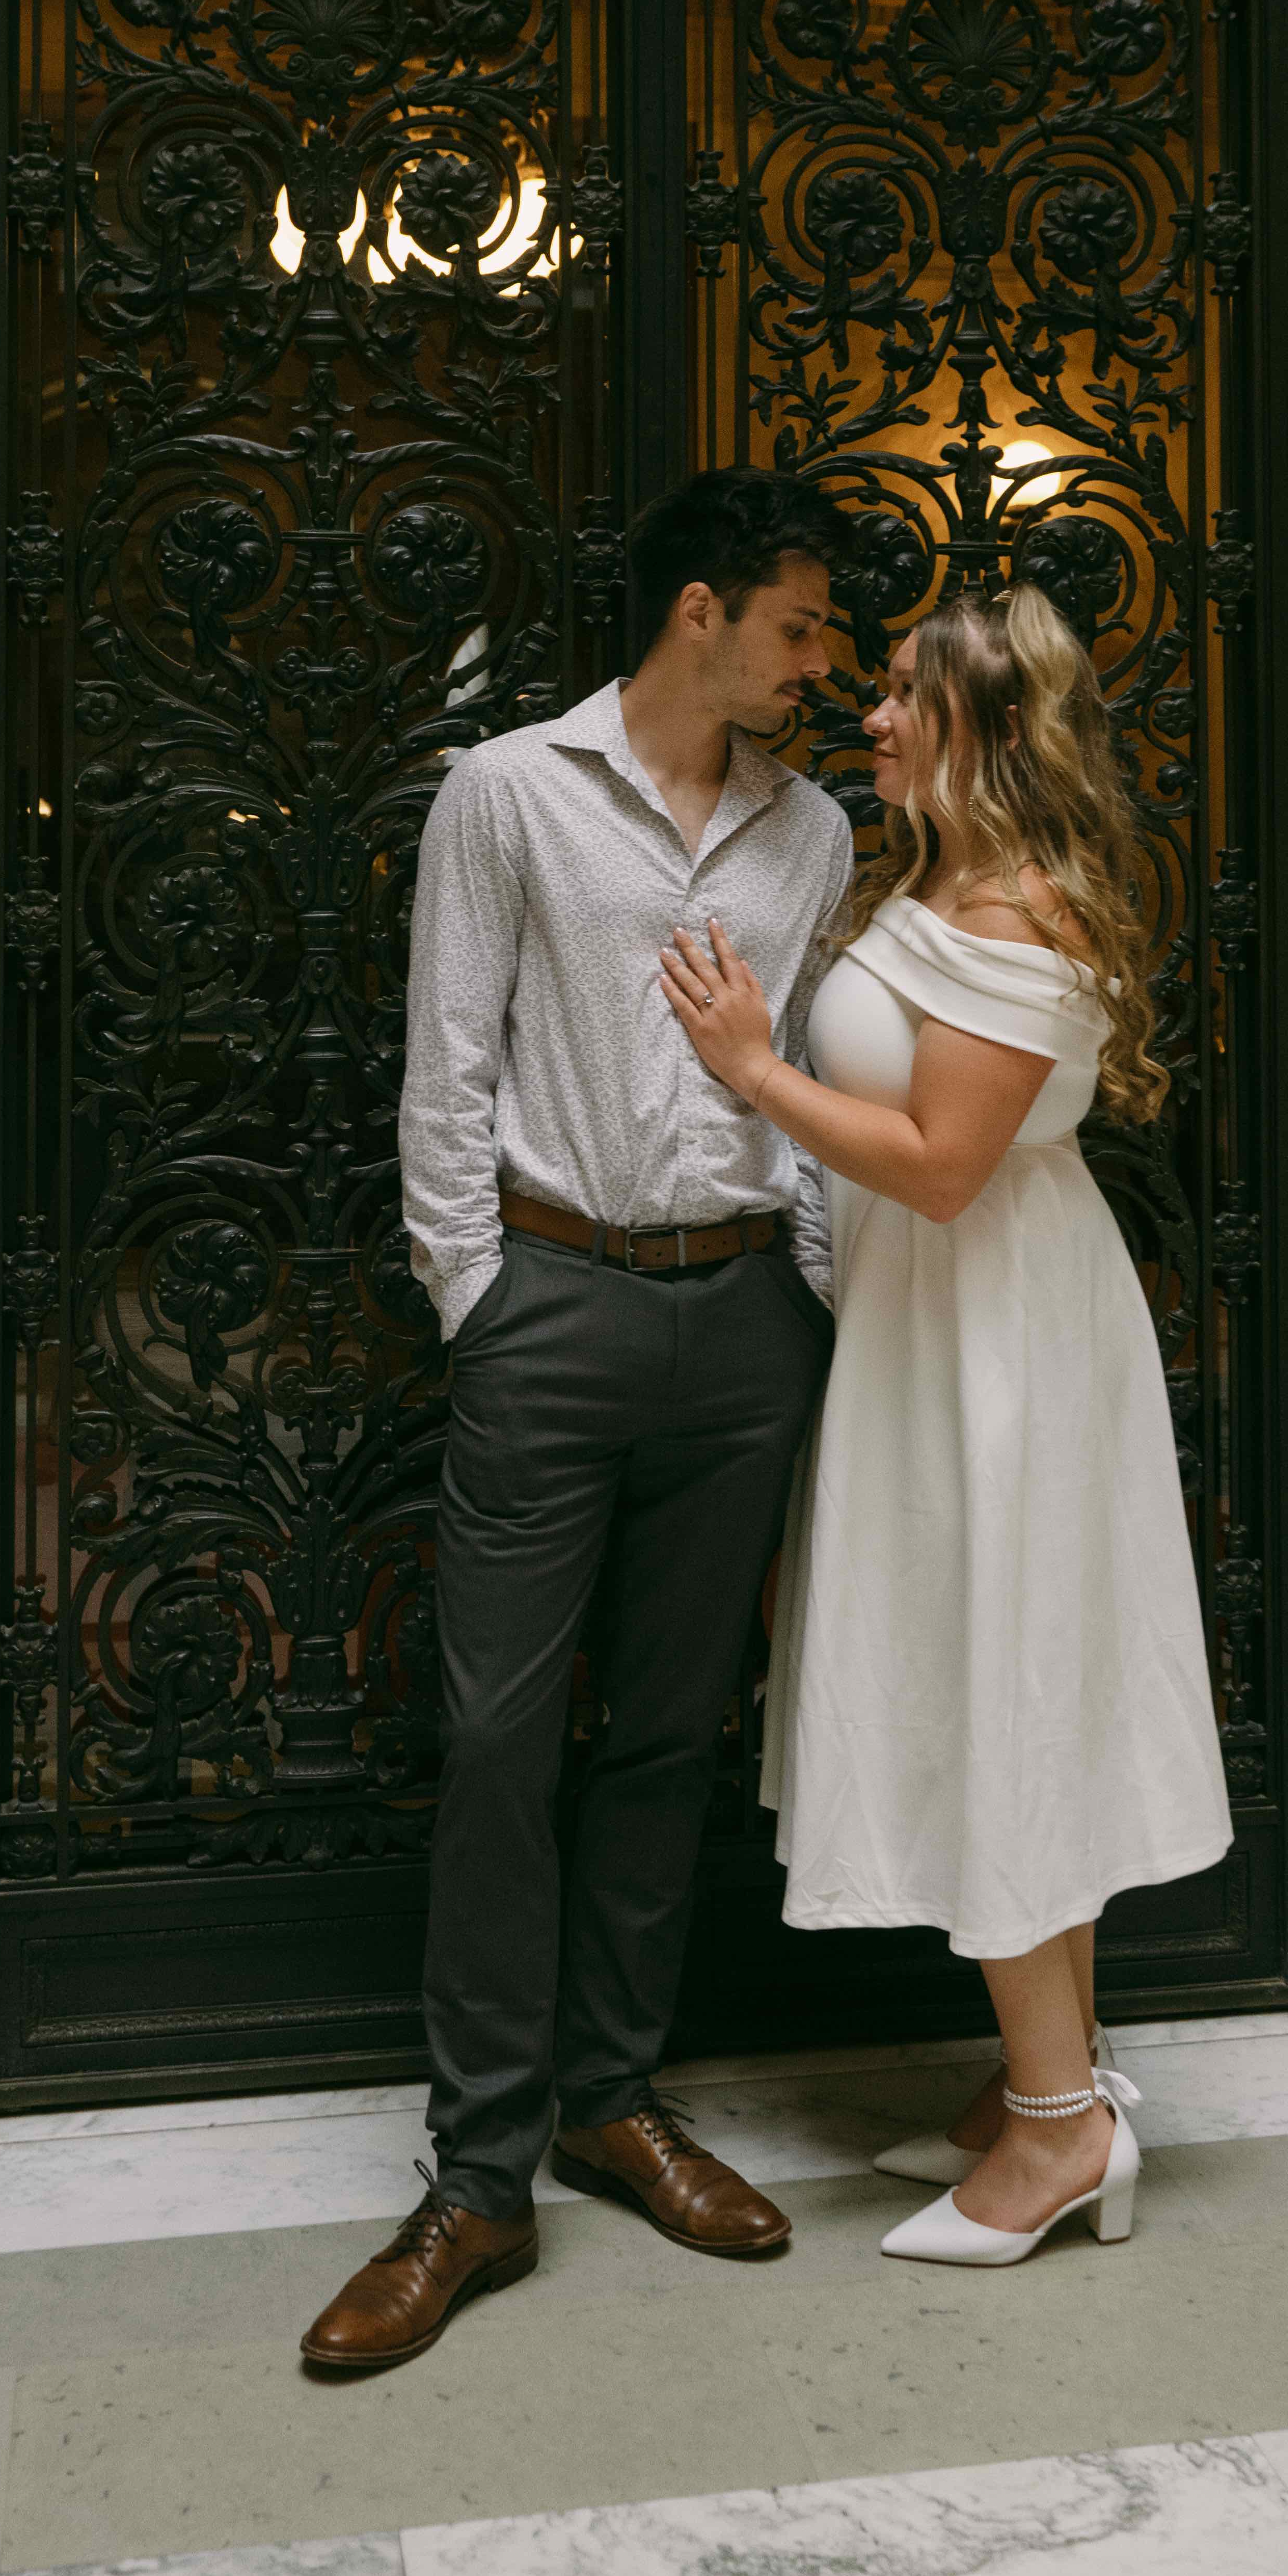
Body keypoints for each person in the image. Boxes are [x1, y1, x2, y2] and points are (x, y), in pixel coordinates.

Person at [300, 469, 859, 2377]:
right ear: (698, 611)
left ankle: (617, 2102)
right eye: (796, 627)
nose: (817, 667)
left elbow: (800, 1073)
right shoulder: (508, 792)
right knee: (495, 1737)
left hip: (745, 1322)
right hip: (552, 1307)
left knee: (671, 1736)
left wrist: (804, 1287)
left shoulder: (813, 833)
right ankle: (477, 2176)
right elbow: (442, 1063)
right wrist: (484, 1299)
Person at [658, 583, 1231, 2268]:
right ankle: (1040, 2083)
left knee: (1004, 1692)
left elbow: (941, 1163)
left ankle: (1057, 2133)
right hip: (948, 1332)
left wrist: (748, 1068)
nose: (877, 718)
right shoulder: (951, 886)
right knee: (1000, 1683)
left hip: (1000, 1350)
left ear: (984, 728)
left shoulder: (1012, 917)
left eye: (908, 697)